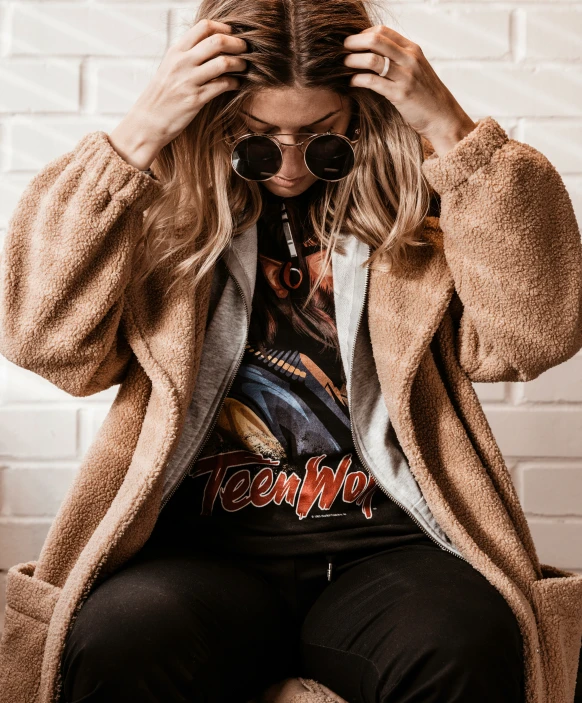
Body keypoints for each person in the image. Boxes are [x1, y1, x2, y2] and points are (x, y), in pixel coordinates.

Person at [1, 1, 581, 703]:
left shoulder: (419, 212)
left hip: (390, 552)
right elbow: (44, 342)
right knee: (115, 638)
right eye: (257, 140)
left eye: (321, 138)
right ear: (214, 120)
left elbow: (534, 336)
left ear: (361, 116)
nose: (289, 166)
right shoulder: (161, 216)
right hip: (198, 555)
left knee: (464, 640)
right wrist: (137, 135)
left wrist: (453, 133)